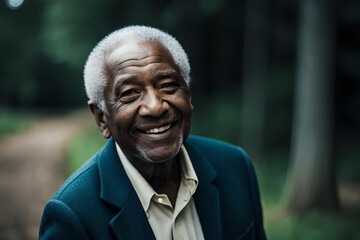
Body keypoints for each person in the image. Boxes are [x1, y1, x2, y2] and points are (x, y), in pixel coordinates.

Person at [39, 25, 266, 240]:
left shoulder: (235, 166)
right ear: (101, 118)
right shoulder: (72, 214)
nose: (155, 107)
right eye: (129, 92)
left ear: (188, 95)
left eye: (167, 85)